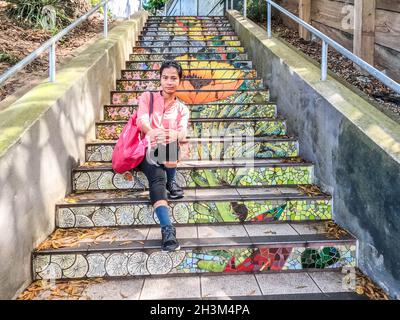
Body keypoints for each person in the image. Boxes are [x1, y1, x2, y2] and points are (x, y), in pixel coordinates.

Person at [136, 60, 189, 252]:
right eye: (165, 77)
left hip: (167, 152)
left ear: (179, 81)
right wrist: (150, 131)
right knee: (157, 178)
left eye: (173, 78)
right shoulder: (148, 98)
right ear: (160, 79)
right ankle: (168, 230)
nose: (169, 81)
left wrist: (175, 135)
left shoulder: (182, 109)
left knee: (172, 139)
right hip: (147, 150)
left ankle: (172, 181)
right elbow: (141, 120)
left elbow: (182, 131)